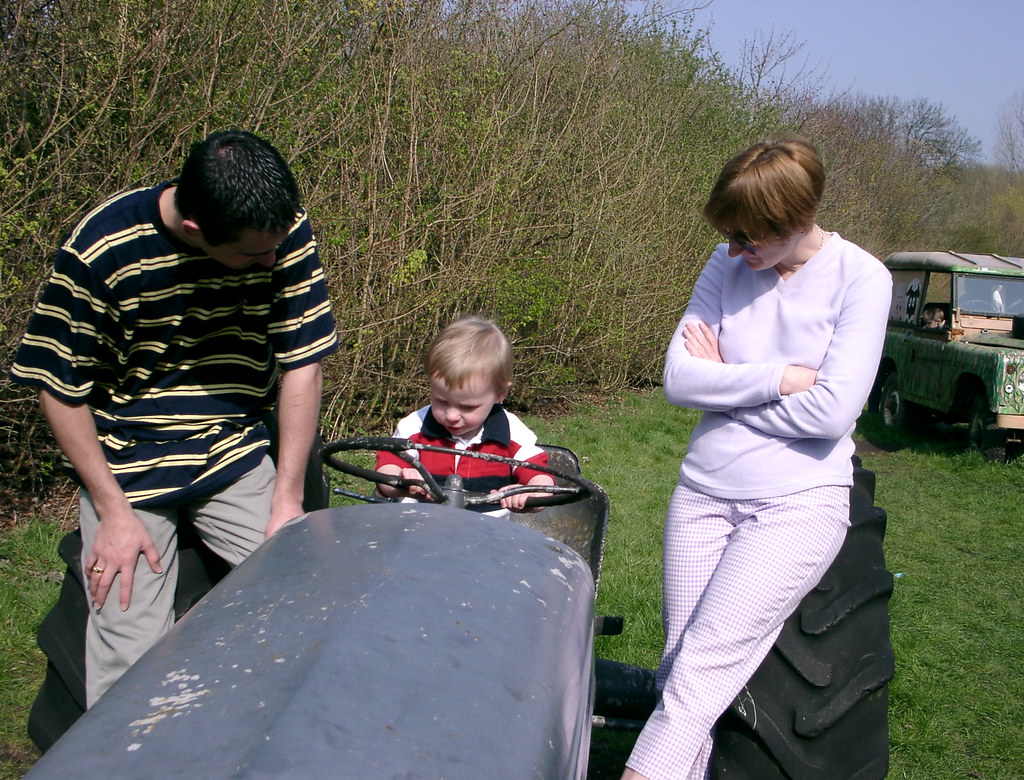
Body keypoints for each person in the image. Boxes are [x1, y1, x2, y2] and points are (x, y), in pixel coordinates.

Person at [10, 130, 339, 706]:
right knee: (129, 658)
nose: (270, 262)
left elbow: (303, 362)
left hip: (231, 445)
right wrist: (112, 513)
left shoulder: (279, 228)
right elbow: (58, 388)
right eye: (253, 257)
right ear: (193, 229)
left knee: (313, 596)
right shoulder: (102, 251)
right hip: (127, 459)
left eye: (275, 248)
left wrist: (287, 500)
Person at [621, 138, 892, 780]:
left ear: (797, 218)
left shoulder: (861, 277)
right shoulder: (725, 264)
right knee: (678, 666)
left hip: (795, 503)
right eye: (730, 235)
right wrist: (779, 378)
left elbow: (831, 415)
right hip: (702, 493)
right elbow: (680, 380)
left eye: (750, 238)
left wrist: (727, 385)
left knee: (703, 667)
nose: (737, 250)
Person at [375, 316, 554, 515]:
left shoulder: (512, 433)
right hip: (419, 527)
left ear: (500, 393)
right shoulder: (415, 426)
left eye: (467, 407)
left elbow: (541, 480)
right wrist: (401, 480)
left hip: (487, 532)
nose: (451, 415)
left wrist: (529, 494)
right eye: (441, 401)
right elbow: (386, 469)